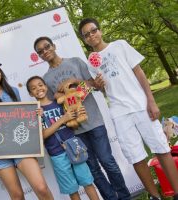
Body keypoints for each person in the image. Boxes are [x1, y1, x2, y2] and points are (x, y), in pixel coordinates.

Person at [78, 18, 178, 200]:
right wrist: (98, 85)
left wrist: (151, 101)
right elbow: (102, 89)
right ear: (84, 40)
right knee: (136, 157)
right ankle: (154, 196)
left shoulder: (120, 45)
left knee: (161, 148)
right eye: (87, 35)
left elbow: (139, 72)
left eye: (93, 31)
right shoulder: (91, 62)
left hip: (140, 105)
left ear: (100, 30)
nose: (91, 36)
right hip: (119, 112)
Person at [33, 36, 130, 200]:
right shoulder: (47, 78)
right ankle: (110, 198)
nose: (45, 52)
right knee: (93, 168)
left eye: (47, 47)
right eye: (40, 51)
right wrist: (56, 96)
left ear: (53, 46)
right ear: (39, 56)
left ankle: (124, 196)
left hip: (94, 121)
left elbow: (94, 85)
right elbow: (53, 103)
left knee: (107, 161)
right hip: (74, 131)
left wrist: (74, 81)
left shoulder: (75, 62)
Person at [0, 59, 53, 200]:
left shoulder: (13, 91)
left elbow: (21, 116)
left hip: (19, 145)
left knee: (41, 188)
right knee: (17, 196)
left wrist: (35, 115)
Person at [26, 75, 99, 200]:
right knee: (72, 189)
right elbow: (42, 135)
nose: (38, 89)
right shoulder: (35, 112)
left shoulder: (60, 103)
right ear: (30, 93)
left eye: (40, 85)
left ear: (46, 86)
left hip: (74, 147)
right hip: (56, 154)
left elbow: (74, 125)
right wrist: (62, 119)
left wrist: (77, 116)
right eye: (33, 88)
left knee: (87, 182)